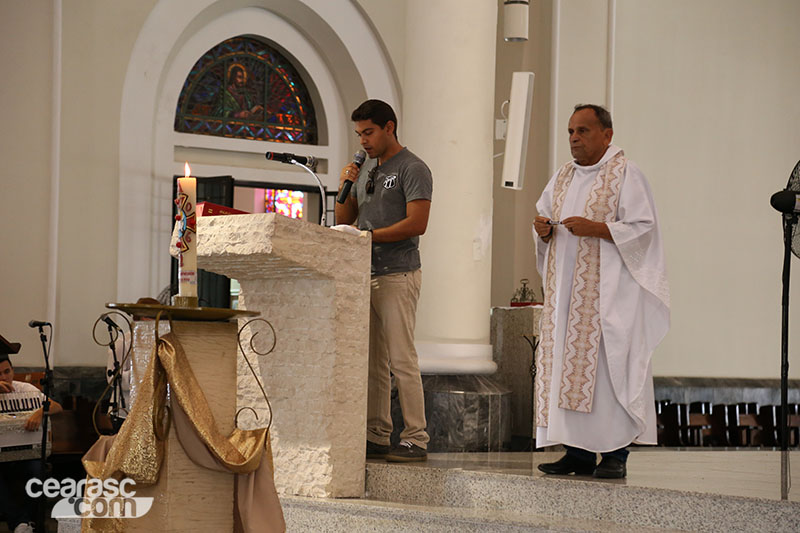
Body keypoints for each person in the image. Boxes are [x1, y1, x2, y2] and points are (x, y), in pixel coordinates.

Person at [532, 104, 669, 479]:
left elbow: (643, 228)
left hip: (610, 299)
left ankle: (614, 454)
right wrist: (543, 230)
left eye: (583, 130)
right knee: (569, 373)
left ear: (607, 135)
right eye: (571, 131)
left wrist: (598, 228)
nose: (574, 138)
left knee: (609, 373)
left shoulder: (626, 173)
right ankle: (577, 453)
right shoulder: (562, 176)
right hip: (567, 301)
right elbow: (544, 216)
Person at [335, 99, 433, 462]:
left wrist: (369, 237)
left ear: (389, 127)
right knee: (373, 361)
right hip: (366, 274)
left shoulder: (412, 167)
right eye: (359, 134)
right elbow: (345, 218)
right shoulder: (365, 170)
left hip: (398, 274)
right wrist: (345, 184)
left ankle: (416, 437)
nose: (363, 141)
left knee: (401, 359)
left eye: (369, 132)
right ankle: (377, 433)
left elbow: (417, 223)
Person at [0, 346, 63, 533]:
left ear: (13, 371)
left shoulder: (25, 389)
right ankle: (21, 522)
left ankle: (23, 522)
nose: (4, 377)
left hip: (26, 454)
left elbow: (57, 407)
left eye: (7, 372)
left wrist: (40, 412)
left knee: (37, 471)